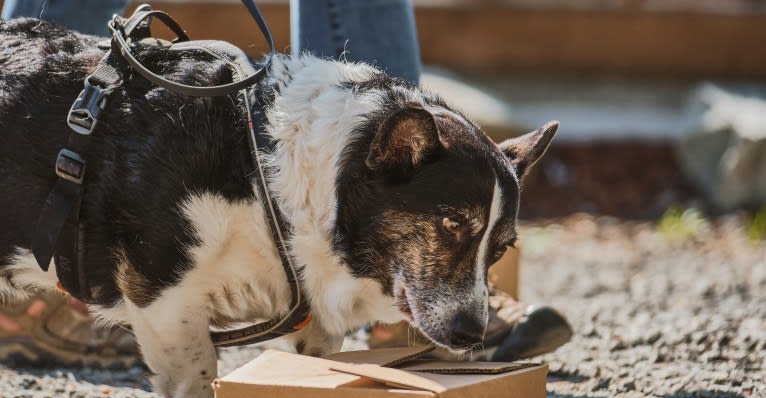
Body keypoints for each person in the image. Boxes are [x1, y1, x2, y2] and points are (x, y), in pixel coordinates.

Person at [0, 0, 571, 366]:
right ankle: (35, 262)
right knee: (39, 92)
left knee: (364, 175)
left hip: (385, 157)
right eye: (451, 231)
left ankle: (365, 295)